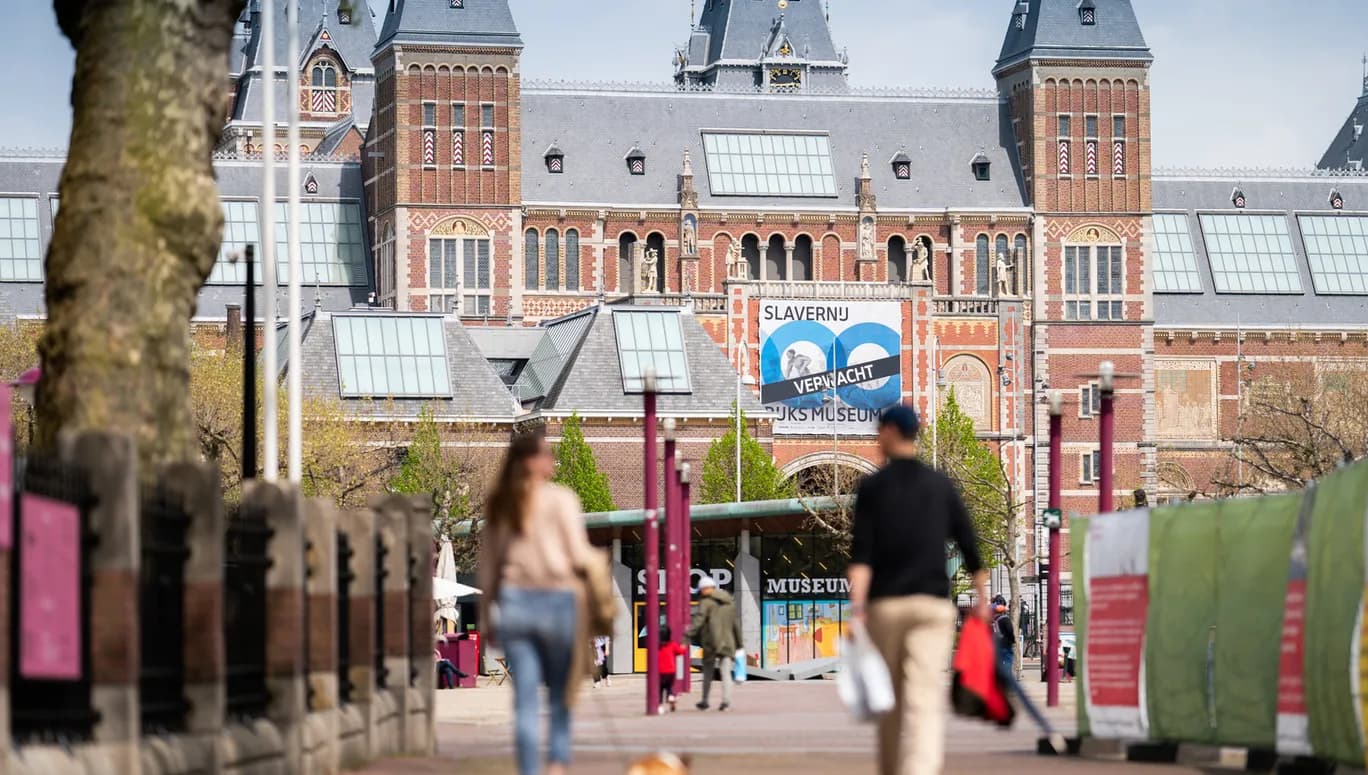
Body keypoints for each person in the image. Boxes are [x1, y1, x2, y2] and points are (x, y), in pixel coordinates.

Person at [847, 405, 990, 775]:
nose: (876, 439)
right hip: (931, 606)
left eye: (879, 431)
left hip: (886, 607)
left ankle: (893, 769)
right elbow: (970, 545)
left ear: (892, 431)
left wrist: (856, 610)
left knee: (889, 699)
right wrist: (983, 600)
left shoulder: (872, 488)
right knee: (923, 697)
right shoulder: (940, 485)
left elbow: (861, 557)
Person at [478, 431, 596, 775]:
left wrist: (487, 618)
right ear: (533, 460)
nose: (552, 460)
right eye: (547, 453)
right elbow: (578, 554)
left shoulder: (501, 504)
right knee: (561, 693)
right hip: (558, 601)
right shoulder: (561, 500)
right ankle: (557, 765)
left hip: (515, 604)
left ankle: (529, 771)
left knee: (525, 701)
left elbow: (489, 568)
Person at [686, 575, 742, 711]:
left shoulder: (706, 603)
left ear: (705, 589)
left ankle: (705, 701)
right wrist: (740, 645)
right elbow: (736, 625)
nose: (700, 593)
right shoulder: (730, 603)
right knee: (726, 673)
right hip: (728, 643)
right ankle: (726, 702)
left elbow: (699, 620)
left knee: (708, 674)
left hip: (711, 642)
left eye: (701, 590)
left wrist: (687, 635)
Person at [657, 624, 687, 713]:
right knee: (669, 686)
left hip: (660, 672)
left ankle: (660, 706)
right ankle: (671, 697)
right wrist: (684, 646)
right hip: (671, 671)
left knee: (660, 689)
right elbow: (680, 652)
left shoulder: (657, 646)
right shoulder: (672, 644)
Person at [993, 600, 1016, 675]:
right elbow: (1010, 630)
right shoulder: (1005, 619)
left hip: (997, 643)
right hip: (1006, 643)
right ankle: (1006, 676)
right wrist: (1013, 640)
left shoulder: (995, 621)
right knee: (1008, 660)